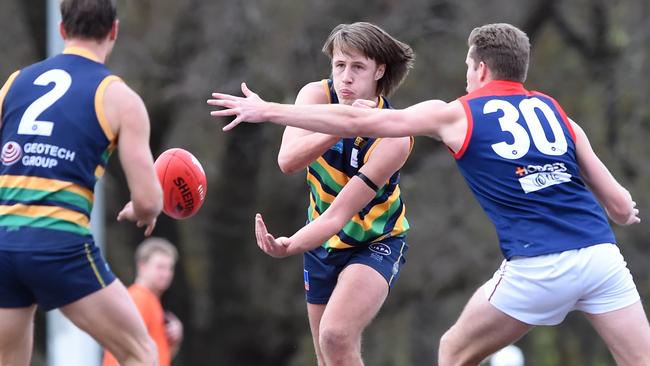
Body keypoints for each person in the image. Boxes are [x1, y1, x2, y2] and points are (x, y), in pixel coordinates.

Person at [208, 23, 650, 366]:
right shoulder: (559, 113)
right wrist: (627, 211)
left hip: (537, 263)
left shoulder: (457, 112)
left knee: (453, 352)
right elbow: (617, 204)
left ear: (479, 69)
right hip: (601, 257)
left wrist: (265, 110)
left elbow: (361, 126)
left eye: (466, 67)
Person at [0, 0, 163, 365]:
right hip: (58, 244)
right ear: (114, 31)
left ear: (62, 30)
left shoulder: (14, 83)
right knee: (141, 351)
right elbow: (150, 201)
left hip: (4, 243)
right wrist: (140, 208)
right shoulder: (120, 98)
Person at [255, 22, 414, 366]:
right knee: (327, 358)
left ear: (379, 71)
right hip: (321, 242)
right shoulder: (315, 96)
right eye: (340, 66)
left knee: (336, 336)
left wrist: (289, 245)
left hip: (374, 240)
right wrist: (340, 126)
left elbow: (339, 215)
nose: (346, 77)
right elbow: (287, 161)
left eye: (358, 68)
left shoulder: (395, 134)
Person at [103, 237, 183, 366]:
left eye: (170, 268)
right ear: (142, 266)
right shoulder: (138, 299)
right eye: (160, 267)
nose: (166, 274)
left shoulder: (151, 300)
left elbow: (157, 356)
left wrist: (174, 341)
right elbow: (123, 351)